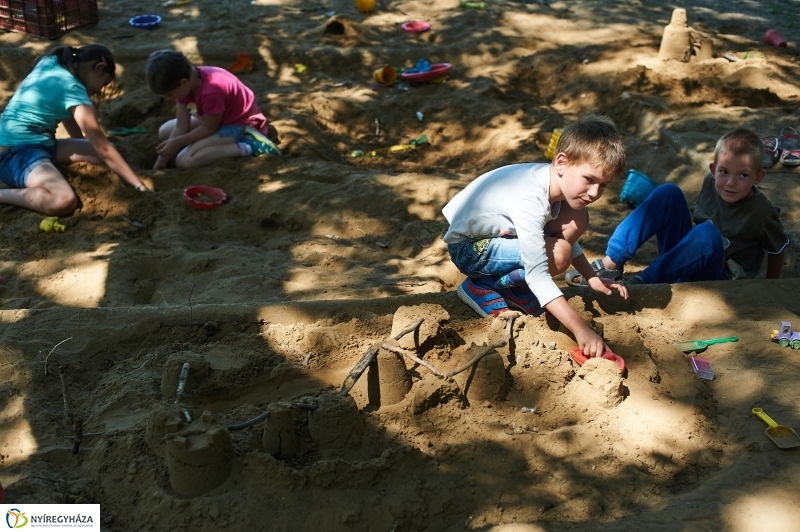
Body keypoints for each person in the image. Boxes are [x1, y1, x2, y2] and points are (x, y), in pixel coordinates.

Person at [442, 114, 629, 358]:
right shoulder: (531, 198)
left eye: (603, 185)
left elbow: (564, 237)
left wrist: (591, 277)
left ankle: (513, 289)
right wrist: (581, 330)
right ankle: (482, 285)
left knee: (577, 217)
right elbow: (538, 272)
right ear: (561, 162)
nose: (595, 193)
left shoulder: (554, 183)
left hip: (499, 236)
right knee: (558, 254)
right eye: (589, 180)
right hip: (469, 248)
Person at [565, 128, 789, 286]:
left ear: (758, 177)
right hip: (688, 259)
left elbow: (778, 249)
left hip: (722, 276)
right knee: (669, 192)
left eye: (743, 175)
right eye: (724, 172)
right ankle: (611, 263)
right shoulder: (710, 184)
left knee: (708, 233)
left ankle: (646, 282)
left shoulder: (762, 212)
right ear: (713, 169)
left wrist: (771, 286)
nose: (731, 182)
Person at [0, 45, 149, 215]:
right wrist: (139, 186)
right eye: (104, 82)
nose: (100, 90)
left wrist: (80, 143)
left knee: (100, 153)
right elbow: (103, 148)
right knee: (63, 200)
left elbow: (67, 114)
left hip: (38, 144)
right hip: (13, 154)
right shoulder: (73, 88)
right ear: (99, 68)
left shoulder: (52, 62)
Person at [145, 50, 280, 170]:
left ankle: (252, 146)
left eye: (170, 94)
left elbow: (210, 128)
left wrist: (179, 142)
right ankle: (203, 145)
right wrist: (162, 159)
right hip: (217, 119)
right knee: (164, 132)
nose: (170, 98)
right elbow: (181, 127)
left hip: (240, 125)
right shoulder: (185, 80)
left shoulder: (211, 91)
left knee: (184, 160)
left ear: (184, 82)